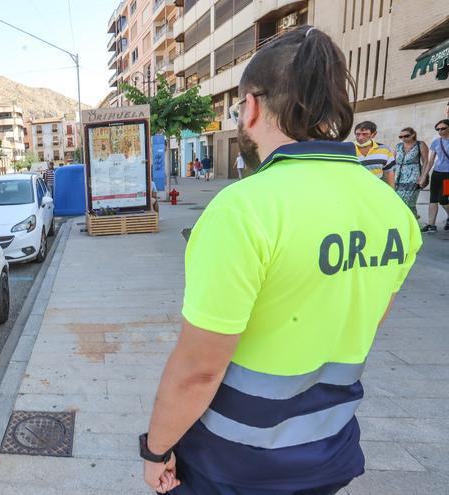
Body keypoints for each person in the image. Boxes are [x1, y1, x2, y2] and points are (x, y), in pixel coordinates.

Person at [140, 25, 421, 495]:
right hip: (328, 450)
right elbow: (363, 326)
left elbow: (199, 369)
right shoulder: (392, 208)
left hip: (236, 463)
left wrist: (156, 450)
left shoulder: (243, 209)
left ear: (250, 106)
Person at [419, 119, 449, 233]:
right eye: (438, 129)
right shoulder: (436, 142)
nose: (440, 131)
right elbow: (430, 161)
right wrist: (424, 176)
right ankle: (431, 225)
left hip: (448, 175)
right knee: (433, 199)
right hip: (437, 173)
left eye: (443, 128)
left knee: (443, 199)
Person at [394, 127, 429, 217]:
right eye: (400, 137)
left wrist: (423, 177)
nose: (403, 138)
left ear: (413, 135)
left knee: (408, 201)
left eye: (406, 136)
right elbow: (393, 162)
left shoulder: (420, 144)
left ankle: (411, 222)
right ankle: (413, 222)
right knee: (400, 201)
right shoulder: (398, 146)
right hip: (398, 177)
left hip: (414, 177)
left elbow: (425, 161)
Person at [353, 121, 396, 188]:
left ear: (374, 134)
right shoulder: (348, 149)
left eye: (365, 134)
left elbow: (389, 172)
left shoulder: (384, 150)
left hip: (376, 191)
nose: (360, 138)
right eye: (358, 134)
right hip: (355, 190)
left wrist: (392, 193)